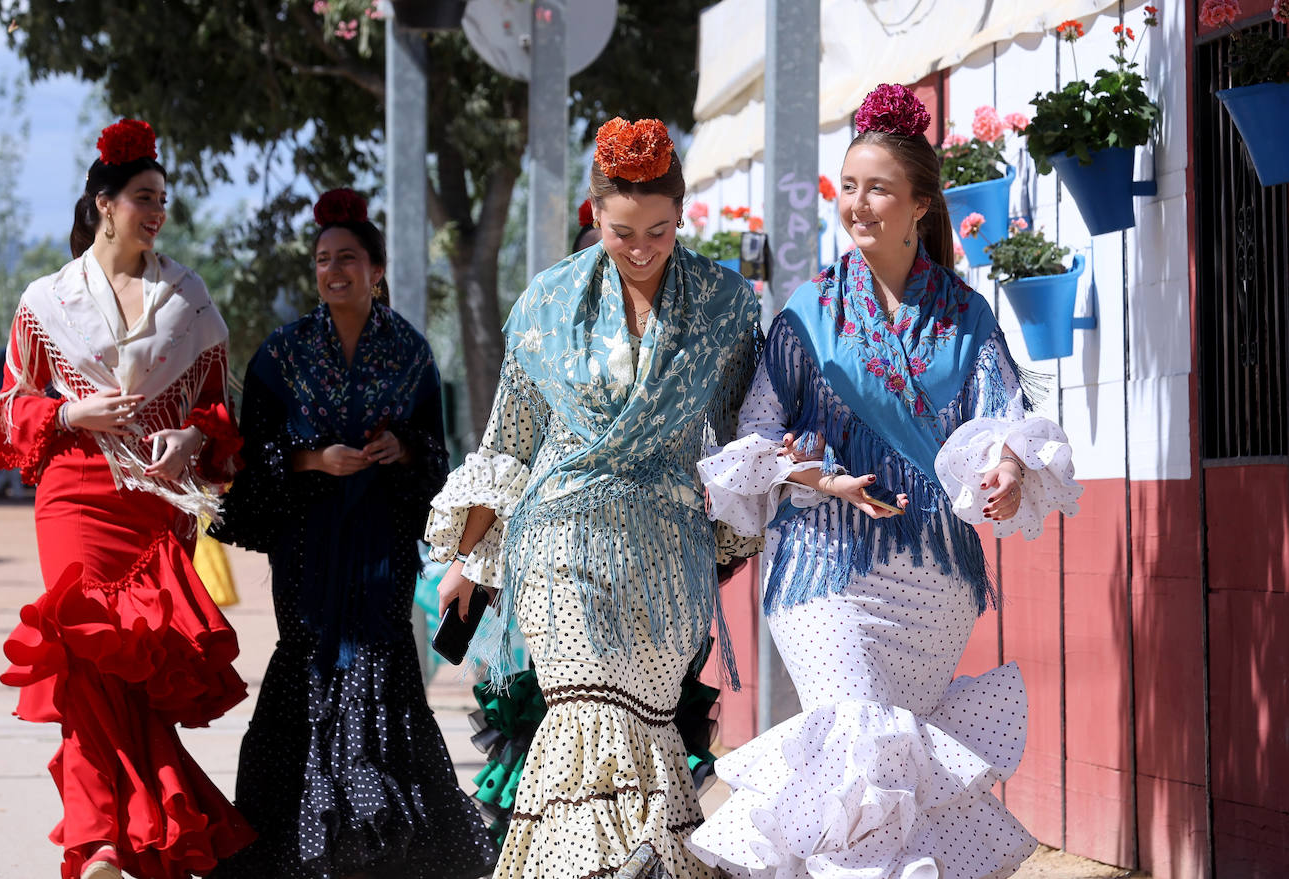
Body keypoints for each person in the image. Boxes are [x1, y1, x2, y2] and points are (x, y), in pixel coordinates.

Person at [685, 84, 1084, 878]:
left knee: (885, 773)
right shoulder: (807, 310)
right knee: (857, 738)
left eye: (878, 188)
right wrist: (821, 478)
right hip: (821, 570)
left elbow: (1002, 422)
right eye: (849, 185)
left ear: (920, 204)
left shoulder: (966, 316)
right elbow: (756, 436)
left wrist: (1003, 469)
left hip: (930, 579)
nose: (857, 203)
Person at [426, 117, 763, 878]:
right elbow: (508, 444)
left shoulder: (725, 303)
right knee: (584, 715)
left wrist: (740, 537)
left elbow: (746, 434)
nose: (640, 246)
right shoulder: (545, 301)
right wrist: (473, 561)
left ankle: (639, 863)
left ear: (681, 215)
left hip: (667, 554)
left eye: (659, 228)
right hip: (561, 543)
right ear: (593, 216)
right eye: (620, 231)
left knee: (646, 727)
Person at [0, 119, 253, 879]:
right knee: (87, 647)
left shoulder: (189, 298)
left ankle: (117, 838)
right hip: (74, 491)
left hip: (156, 502)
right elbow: (6, 408)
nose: (156, 211)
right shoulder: (45, 300)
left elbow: (218, 410)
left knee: (130, 668)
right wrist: (70, 413)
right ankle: (104, 839)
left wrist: (193, 442)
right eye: (142, 197)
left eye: (163, 198)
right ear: (104, 203)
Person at [208, 188, 498, 879]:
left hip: (382, 538)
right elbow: (253, 456)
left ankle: (381, 841)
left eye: (347, 259)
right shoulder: (282, 353)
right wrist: (315, 459)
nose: (333, 271)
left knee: (381, 658)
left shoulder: (409, 353)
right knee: (308, 657)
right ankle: (299, 846)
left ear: (376, 269)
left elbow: (437, 453)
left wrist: (401, 449)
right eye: (322, 260)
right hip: (307, 542)